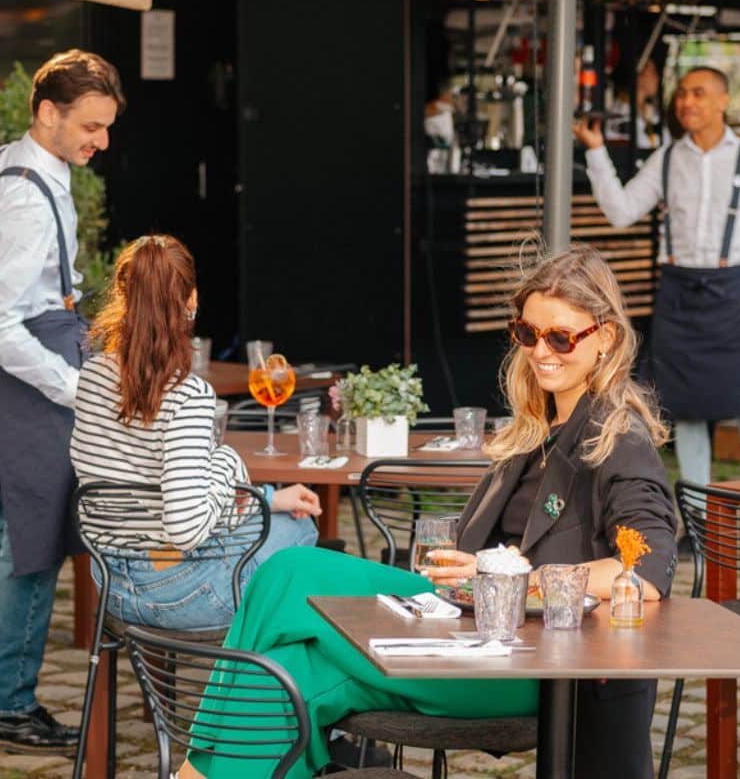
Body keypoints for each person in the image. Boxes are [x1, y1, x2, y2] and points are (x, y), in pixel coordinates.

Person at [179, 245, 679, 779]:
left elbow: (645, 572)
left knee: (288, 573)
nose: (541, 351)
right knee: (284, 672)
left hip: (531, 663)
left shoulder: (617, 438)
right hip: (463, 625)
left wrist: (513, 578)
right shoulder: (536, 431)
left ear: (605, 338)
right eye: (527, 334)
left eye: (560, 337)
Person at [0, 49, 123, 750]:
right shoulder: (27, 193)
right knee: (38, 537)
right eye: (91, 127)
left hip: (31, 360)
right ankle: (5, 704)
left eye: (105, 128)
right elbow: (3, 327)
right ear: (49, 113)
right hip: (39, 367)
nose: (100, 141)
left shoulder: (10, 164)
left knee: (16, 526)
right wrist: (75, 388)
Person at [70, 234, 320, 631]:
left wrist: (266, 498)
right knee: (299, 529)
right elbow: (186, 529)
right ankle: (255, 672)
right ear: (192, 299)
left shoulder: (92, 375)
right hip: (176, 593)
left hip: (110, 585)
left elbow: (146, 490)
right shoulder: (188, 395)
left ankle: (202, 677)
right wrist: (226, 462)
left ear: (122, 294)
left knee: (274, 521)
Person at [575, 65, 740, 485]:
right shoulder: (669, 156)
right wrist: (597, 151)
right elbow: (621, 212)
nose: (687, 102)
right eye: (682, 95)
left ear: (723, 101)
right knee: (686, 411)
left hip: (731, 292)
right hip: (677, 292)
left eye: (698, 94)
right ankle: (697, 518)